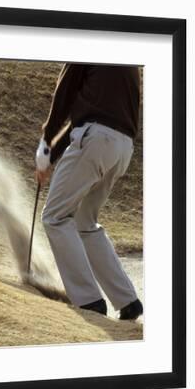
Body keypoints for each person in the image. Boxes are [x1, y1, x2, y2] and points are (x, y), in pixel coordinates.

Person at [35, 63, 143, 320]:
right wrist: (51, 155)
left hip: (96, 139)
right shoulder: (129, 58)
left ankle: (89, 301)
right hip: (122, 147)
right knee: (85, 221)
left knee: (55, 217)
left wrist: (45, 142)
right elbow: (83, 118)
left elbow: (64, 95)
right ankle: (127, 300)